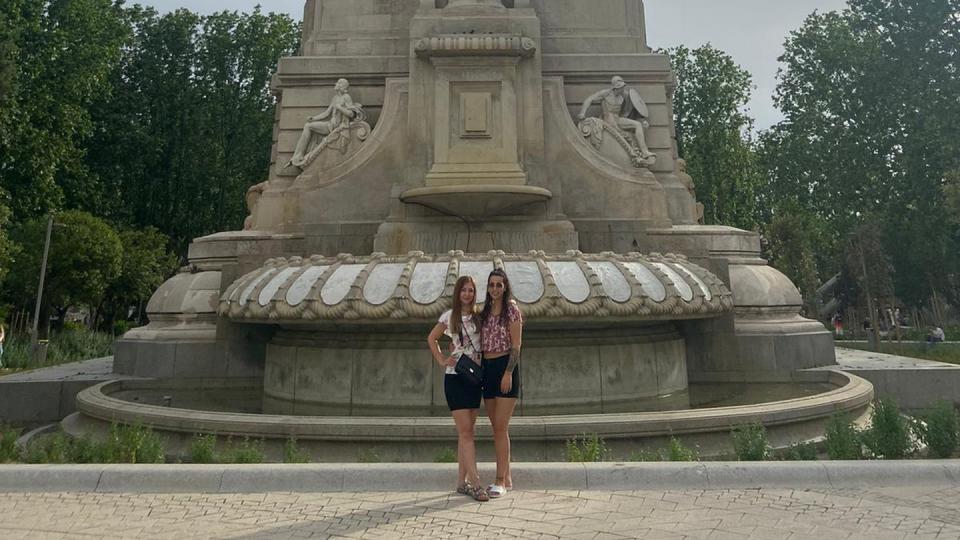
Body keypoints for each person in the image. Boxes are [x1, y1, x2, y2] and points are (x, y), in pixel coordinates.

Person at [426, 276, 489, 502]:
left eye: (471, 290)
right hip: (455, 378)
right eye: (464, 290)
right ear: (458, 293)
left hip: (474, 379)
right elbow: (432, 338)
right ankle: (476, 484)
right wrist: (443, 359)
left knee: (467, 433)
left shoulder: (479, 318)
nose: (467, 294)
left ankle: (461, 482)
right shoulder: (449, 316)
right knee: (466, 433)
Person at [480, 268, 523, 498]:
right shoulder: (485, 311)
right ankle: (507, 477)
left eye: (499, 285)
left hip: (505, 368)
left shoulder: (511, 310)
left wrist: (508, 372)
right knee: (497, 428)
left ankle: (500, 481)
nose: (495, 289)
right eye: (491, 285)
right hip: (487, 369)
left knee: (500, 427)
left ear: (505, 287)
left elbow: (516, 345)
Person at [577, 75, 655, 159]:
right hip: (608, 119)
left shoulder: (624, 95)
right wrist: (582, 113)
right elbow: (589, 99)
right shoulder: (606, 93)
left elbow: (631, 110)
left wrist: (642, 120)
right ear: (616, 87)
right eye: (621, 87)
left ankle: (645, 152)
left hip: (617, 118)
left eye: (623, 86)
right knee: (613, 122)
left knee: (638, 125)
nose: (623, 88)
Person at [290, 78, 362, 167]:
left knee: (308, 126)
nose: (336, 84)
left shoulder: (346, 97)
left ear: (342, 86)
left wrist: (340, 108)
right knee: (308, 126)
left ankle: (300, 155)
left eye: (338, 83)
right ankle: (298, 155)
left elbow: (351, 114)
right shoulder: (335, 98)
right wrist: (314, 118)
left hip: (339, 128)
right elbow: (327, 113)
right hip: (330, 125)